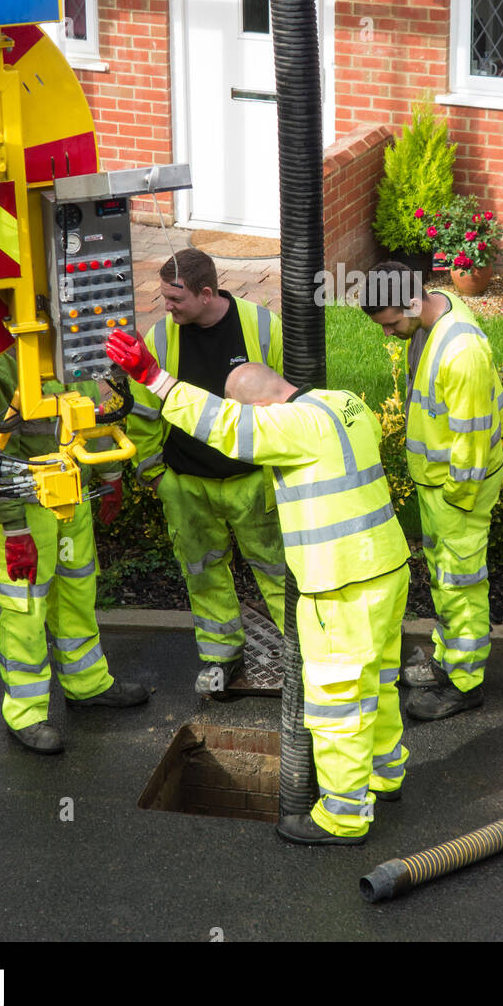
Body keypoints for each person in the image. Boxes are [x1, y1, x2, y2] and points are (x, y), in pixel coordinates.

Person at [107, 331, 411, 847]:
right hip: (386, 567)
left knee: (337, 700)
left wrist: (152, 377)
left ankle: (342, 816)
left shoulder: (291, 426)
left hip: (340, 585)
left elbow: (226, 428)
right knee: (377, 680)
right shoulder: (345, 403)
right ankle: (384, 775)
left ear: (264, 406)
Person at [125, 249, 287, 692]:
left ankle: (305, 656)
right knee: (203, 571)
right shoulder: (161, 338)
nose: (167, 307)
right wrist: (156, 474)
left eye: (175, 299)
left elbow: (292, 400)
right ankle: (221, 657)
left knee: (278, 572)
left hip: (252, 482)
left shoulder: (263, 327)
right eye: (164, 298)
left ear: (208, 293)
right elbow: (143, 411)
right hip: (187, 485)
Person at [0, 349, 149, 754]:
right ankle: (26, 713)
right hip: (27, 505)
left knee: (77, 590)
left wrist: (108, 473)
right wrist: (14, 529)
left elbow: (92, 413)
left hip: (74, 495)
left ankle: (87, 684)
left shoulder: (66, 344)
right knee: (26, 609)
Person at [358, 262, 503, 721]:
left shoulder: (460, 350)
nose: (388, 335)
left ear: (411, 302)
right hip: (440, 486)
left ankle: (464, 684)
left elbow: (472, 438)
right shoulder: (432, 315)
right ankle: (448, 660)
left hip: (458, 489)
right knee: (446, 578)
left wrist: (455, 501)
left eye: (389, 324)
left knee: (460, 584)